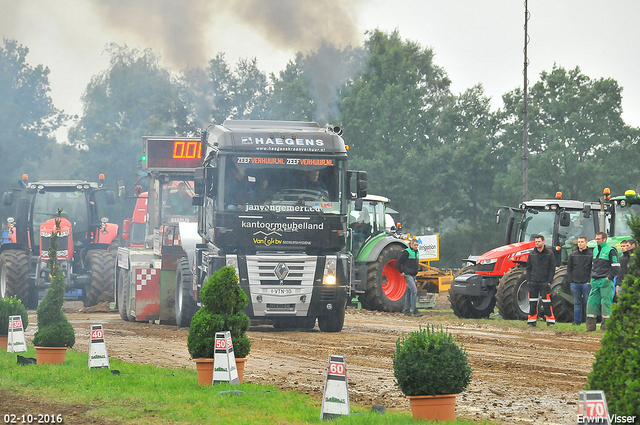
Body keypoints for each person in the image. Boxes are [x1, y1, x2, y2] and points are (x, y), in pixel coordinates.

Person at [586, 232, 619, 332]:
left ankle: (606, 328)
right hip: (595, 281)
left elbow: (616, 267)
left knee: (606, 304)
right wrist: (591, 278)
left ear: (604, 239)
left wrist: (608, 278)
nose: (597, 241)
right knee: (591, 303)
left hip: (605, 281)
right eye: (596, 239)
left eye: (599, 239)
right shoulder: (595, 250)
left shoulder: (611, 251)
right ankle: (590, 327)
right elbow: (593, 266)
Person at [525, 234, 557, 327]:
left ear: (543, 242)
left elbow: (552, 268)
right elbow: (528, 268)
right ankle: (531, 321)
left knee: (547, 302)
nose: (537, 243)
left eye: (538, 241)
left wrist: (549, 281)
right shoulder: (532, 254)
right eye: (536, 242)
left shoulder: (549, 254)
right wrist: (528, 280)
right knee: (532, 302)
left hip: (544, 282)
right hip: (533, 282)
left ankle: (550, 321)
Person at [566, 236, 592, 326]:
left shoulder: (590, 255)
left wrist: (589, 281)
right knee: (577, 304)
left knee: (587, 303)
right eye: (579, 242)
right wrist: (571, 281)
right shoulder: (573, 255)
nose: (580, 243)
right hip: (575, 283)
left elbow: (592, 269)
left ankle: (587, 322)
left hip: (586, 283)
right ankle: (577, 322)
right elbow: (569, 269)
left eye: (582, 242)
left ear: (586, 243)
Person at [396, 238, 422, 317]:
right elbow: (398, 262)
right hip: (408, 274)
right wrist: (401, 271)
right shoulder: (406, 252)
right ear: (411, 244)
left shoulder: (417, 253)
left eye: (417, 245)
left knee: (408, 292)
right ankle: (414, 310)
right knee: (414, 290)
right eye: (414, 245)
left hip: (413, 275)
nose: (416, 246)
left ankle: (406, 310)